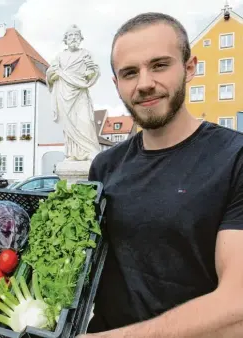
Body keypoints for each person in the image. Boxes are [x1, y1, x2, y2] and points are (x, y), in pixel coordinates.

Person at [79, 12, 243, 338]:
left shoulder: (234, 158)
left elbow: (236, 306)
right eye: (129, 73)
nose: (144, 83)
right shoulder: (105, 165)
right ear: (117, 85)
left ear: (190, 67)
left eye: (159, 65)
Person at [46, 24, 101, 161]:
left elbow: (92, 72)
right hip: (64, 95)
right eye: (70, 35)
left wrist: (91, 72)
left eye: (76, 35)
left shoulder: (85, 54)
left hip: (80, 92)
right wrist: (53, 74)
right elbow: (50, 76)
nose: (73, 38)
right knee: (69, 126)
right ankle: (73, 154)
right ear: (65, 39)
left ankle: (90, 150)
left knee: (85, 122)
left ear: (80, 38)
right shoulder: (59, 56)